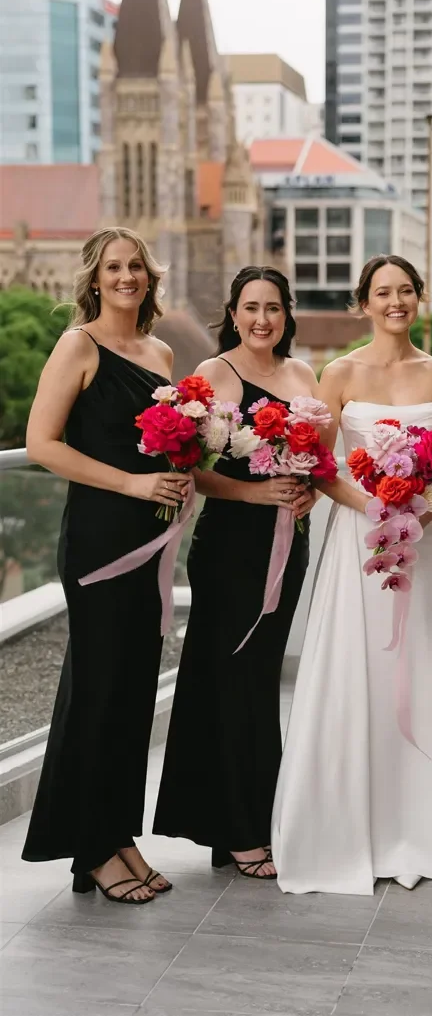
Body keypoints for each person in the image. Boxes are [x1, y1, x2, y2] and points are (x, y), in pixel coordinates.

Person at [271, 254, 432, 894]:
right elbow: (317, 462)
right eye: (383, 292)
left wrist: (421, 505)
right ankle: (345, 828)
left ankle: (424, 825)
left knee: (419, 666)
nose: (396, 301)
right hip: (359, 546)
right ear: (363, 302)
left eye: (406, 291)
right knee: (357, 670)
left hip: (424, 541)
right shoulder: (339, 372)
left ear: (420, 297)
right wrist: (376, 506)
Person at [22, 227, 192, 904]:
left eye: (137, 267)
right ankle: (92, 849)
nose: (127, 277)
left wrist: (179, 471)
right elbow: (40, 443)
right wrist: (131, 485)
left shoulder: (161, 351)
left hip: (152, 536)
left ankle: (119, 835)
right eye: (115, 267)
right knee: (97, 693)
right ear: (94, 279)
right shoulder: (78, 344)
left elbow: (164, 442)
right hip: (99, 538)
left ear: (151, 278)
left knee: (131, 695)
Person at [153, 267, 316, 879]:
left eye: (273, 308)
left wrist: (306, 497)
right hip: (228, 548)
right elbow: (189, 468)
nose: (262, 319)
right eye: (251, 307)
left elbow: (314, 469)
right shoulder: (212, 375)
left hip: (286, 547)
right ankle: (241, 829)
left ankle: (246, 822)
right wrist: (255, 496)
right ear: (234, 311)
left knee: (259, 680)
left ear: (286, 314)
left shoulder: (303, 376)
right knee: (227, 679)